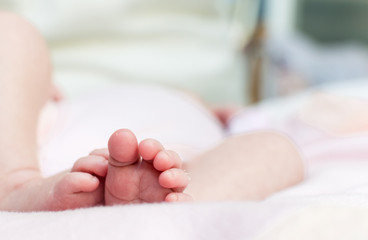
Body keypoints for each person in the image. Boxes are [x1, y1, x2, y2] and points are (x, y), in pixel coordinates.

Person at [0, 12, 304, 212]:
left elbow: (252, 133)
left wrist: (234, 119)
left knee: (277, 145)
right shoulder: (72, 103)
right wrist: (35, 88)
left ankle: (175, 205)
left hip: (181, 171)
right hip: (33, 140)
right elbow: (21, 90)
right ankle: (17, 183)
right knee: (9, 29)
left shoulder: (222, 121)